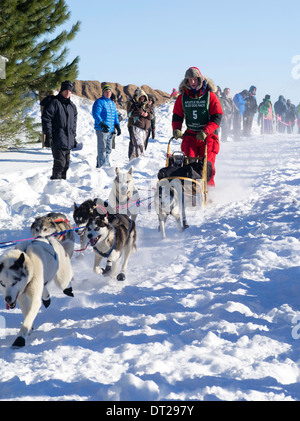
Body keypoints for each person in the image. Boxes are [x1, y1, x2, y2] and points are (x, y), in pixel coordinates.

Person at [172, 66, 223, 187]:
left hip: (208, 136)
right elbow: (177, 116)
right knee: (190, 163)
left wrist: (206, 131)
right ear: (187, 81)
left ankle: (209, 190)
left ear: (199, 80)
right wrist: (177, 129)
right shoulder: (182, 98)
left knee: (207, 164)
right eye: (190, 80)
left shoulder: (210, 96)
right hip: (191, 136)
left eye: (195, 79)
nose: (193, 82)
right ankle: (192, 189)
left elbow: (217, 116)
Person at [42, 80, 78, 180]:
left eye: (70, 91)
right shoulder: (54, 103)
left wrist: (73, 138)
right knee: (59, 164)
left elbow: (73, 125)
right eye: (66, 90)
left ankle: (61, 186)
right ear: (61, 90)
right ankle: (54, 186)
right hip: (57, 138)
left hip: (68, 139)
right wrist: (48, 135)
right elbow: (46, 119)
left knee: (66, 165)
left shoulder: (72, 106)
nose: (68, 92)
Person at [92, 84, 121, 168]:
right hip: (101, 129)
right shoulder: (99, 102)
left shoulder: (112, 103)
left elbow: (115, 116)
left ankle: (106, 164)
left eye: (109, 91)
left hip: (110, 130)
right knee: (102, 148)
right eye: (106, 91)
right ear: (103, 92)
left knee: (108, 149)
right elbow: (96, 114)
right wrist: (102, 124)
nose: (108, 93)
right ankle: (102, 166)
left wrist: (117, 125)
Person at [127, 88, 153, 160]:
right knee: (139, 145)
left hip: (145, 128)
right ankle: (140, 160)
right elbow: (129, 114)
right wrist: (139, 113)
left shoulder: (148, 106)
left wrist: (147, 114)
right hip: (137, 126)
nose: (142, 98)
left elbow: (152, 116)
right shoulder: (135, 105)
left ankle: (134, 160)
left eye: (143, 97)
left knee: (142, 145)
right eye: (141, 96)